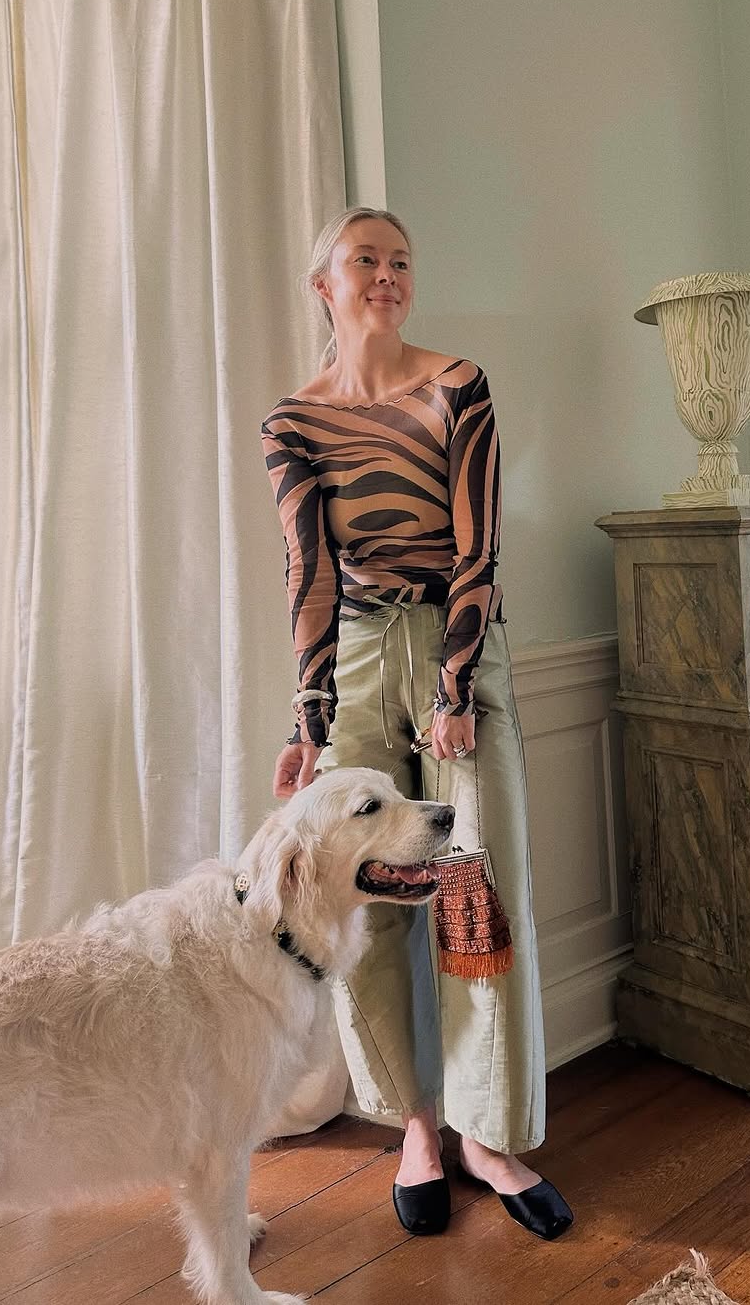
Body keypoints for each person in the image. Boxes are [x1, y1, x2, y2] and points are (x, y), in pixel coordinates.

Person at [261, 207, 572, 1241]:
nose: (387, 275)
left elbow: (479, 545)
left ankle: (489, 1135)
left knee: (478, 884)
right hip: (354, 657)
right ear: (326, 284)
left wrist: (454, 687)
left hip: (456, 642)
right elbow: (309, 573)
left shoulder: (457, 386)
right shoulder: (293, 423)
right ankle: (414, 1128)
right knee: (366, 891)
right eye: (367, 260)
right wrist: (309, 718)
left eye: (400, 261)